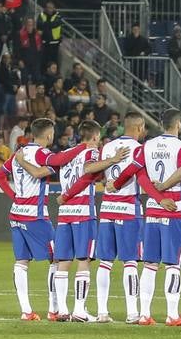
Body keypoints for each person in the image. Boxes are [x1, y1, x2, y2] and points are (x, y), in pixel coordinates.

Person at [116, 109, 181, 326]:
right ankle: (172, 315)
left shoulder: (147, 146)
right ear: (179, 123)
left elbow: (136, 174)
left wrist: (115, 184)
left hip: (152, 209)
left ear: (161, 123)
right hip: (174, 209)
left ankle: (144, 314)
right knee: (173, 265)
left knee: (150, 264)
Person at [46, 121, 124, 322]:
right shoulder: (91, 152)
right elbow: (90, 168)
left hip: (65, 213)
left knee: (63, 262)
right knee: (84, 260)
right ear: (96, 137)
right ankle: (79, 310)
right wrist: (112, 160)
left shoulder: (68, 153)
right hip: (83, 212)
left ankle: (62, 310)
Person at [0, 119, 57, 320]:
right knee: (57, 258)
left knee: (21, 261)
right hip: (35, 215)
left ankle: (26, 310)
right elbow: (42, 172)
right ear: (48, 135)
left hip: (16, 213)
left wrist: (15, 197)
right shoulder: (44, 155)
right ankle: (54, 309)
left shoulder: (17, 154)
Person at [90, 113, 145, 322]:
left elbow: (101, 175)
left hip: (107, 207)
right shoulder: (139, 149)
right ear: (139, 128)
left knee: (105, 262)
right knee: (130, 261)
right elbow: (137, 173)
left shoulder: (108, 147)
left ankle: (102, 312)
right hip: (128, 207)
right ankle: (132, 312)